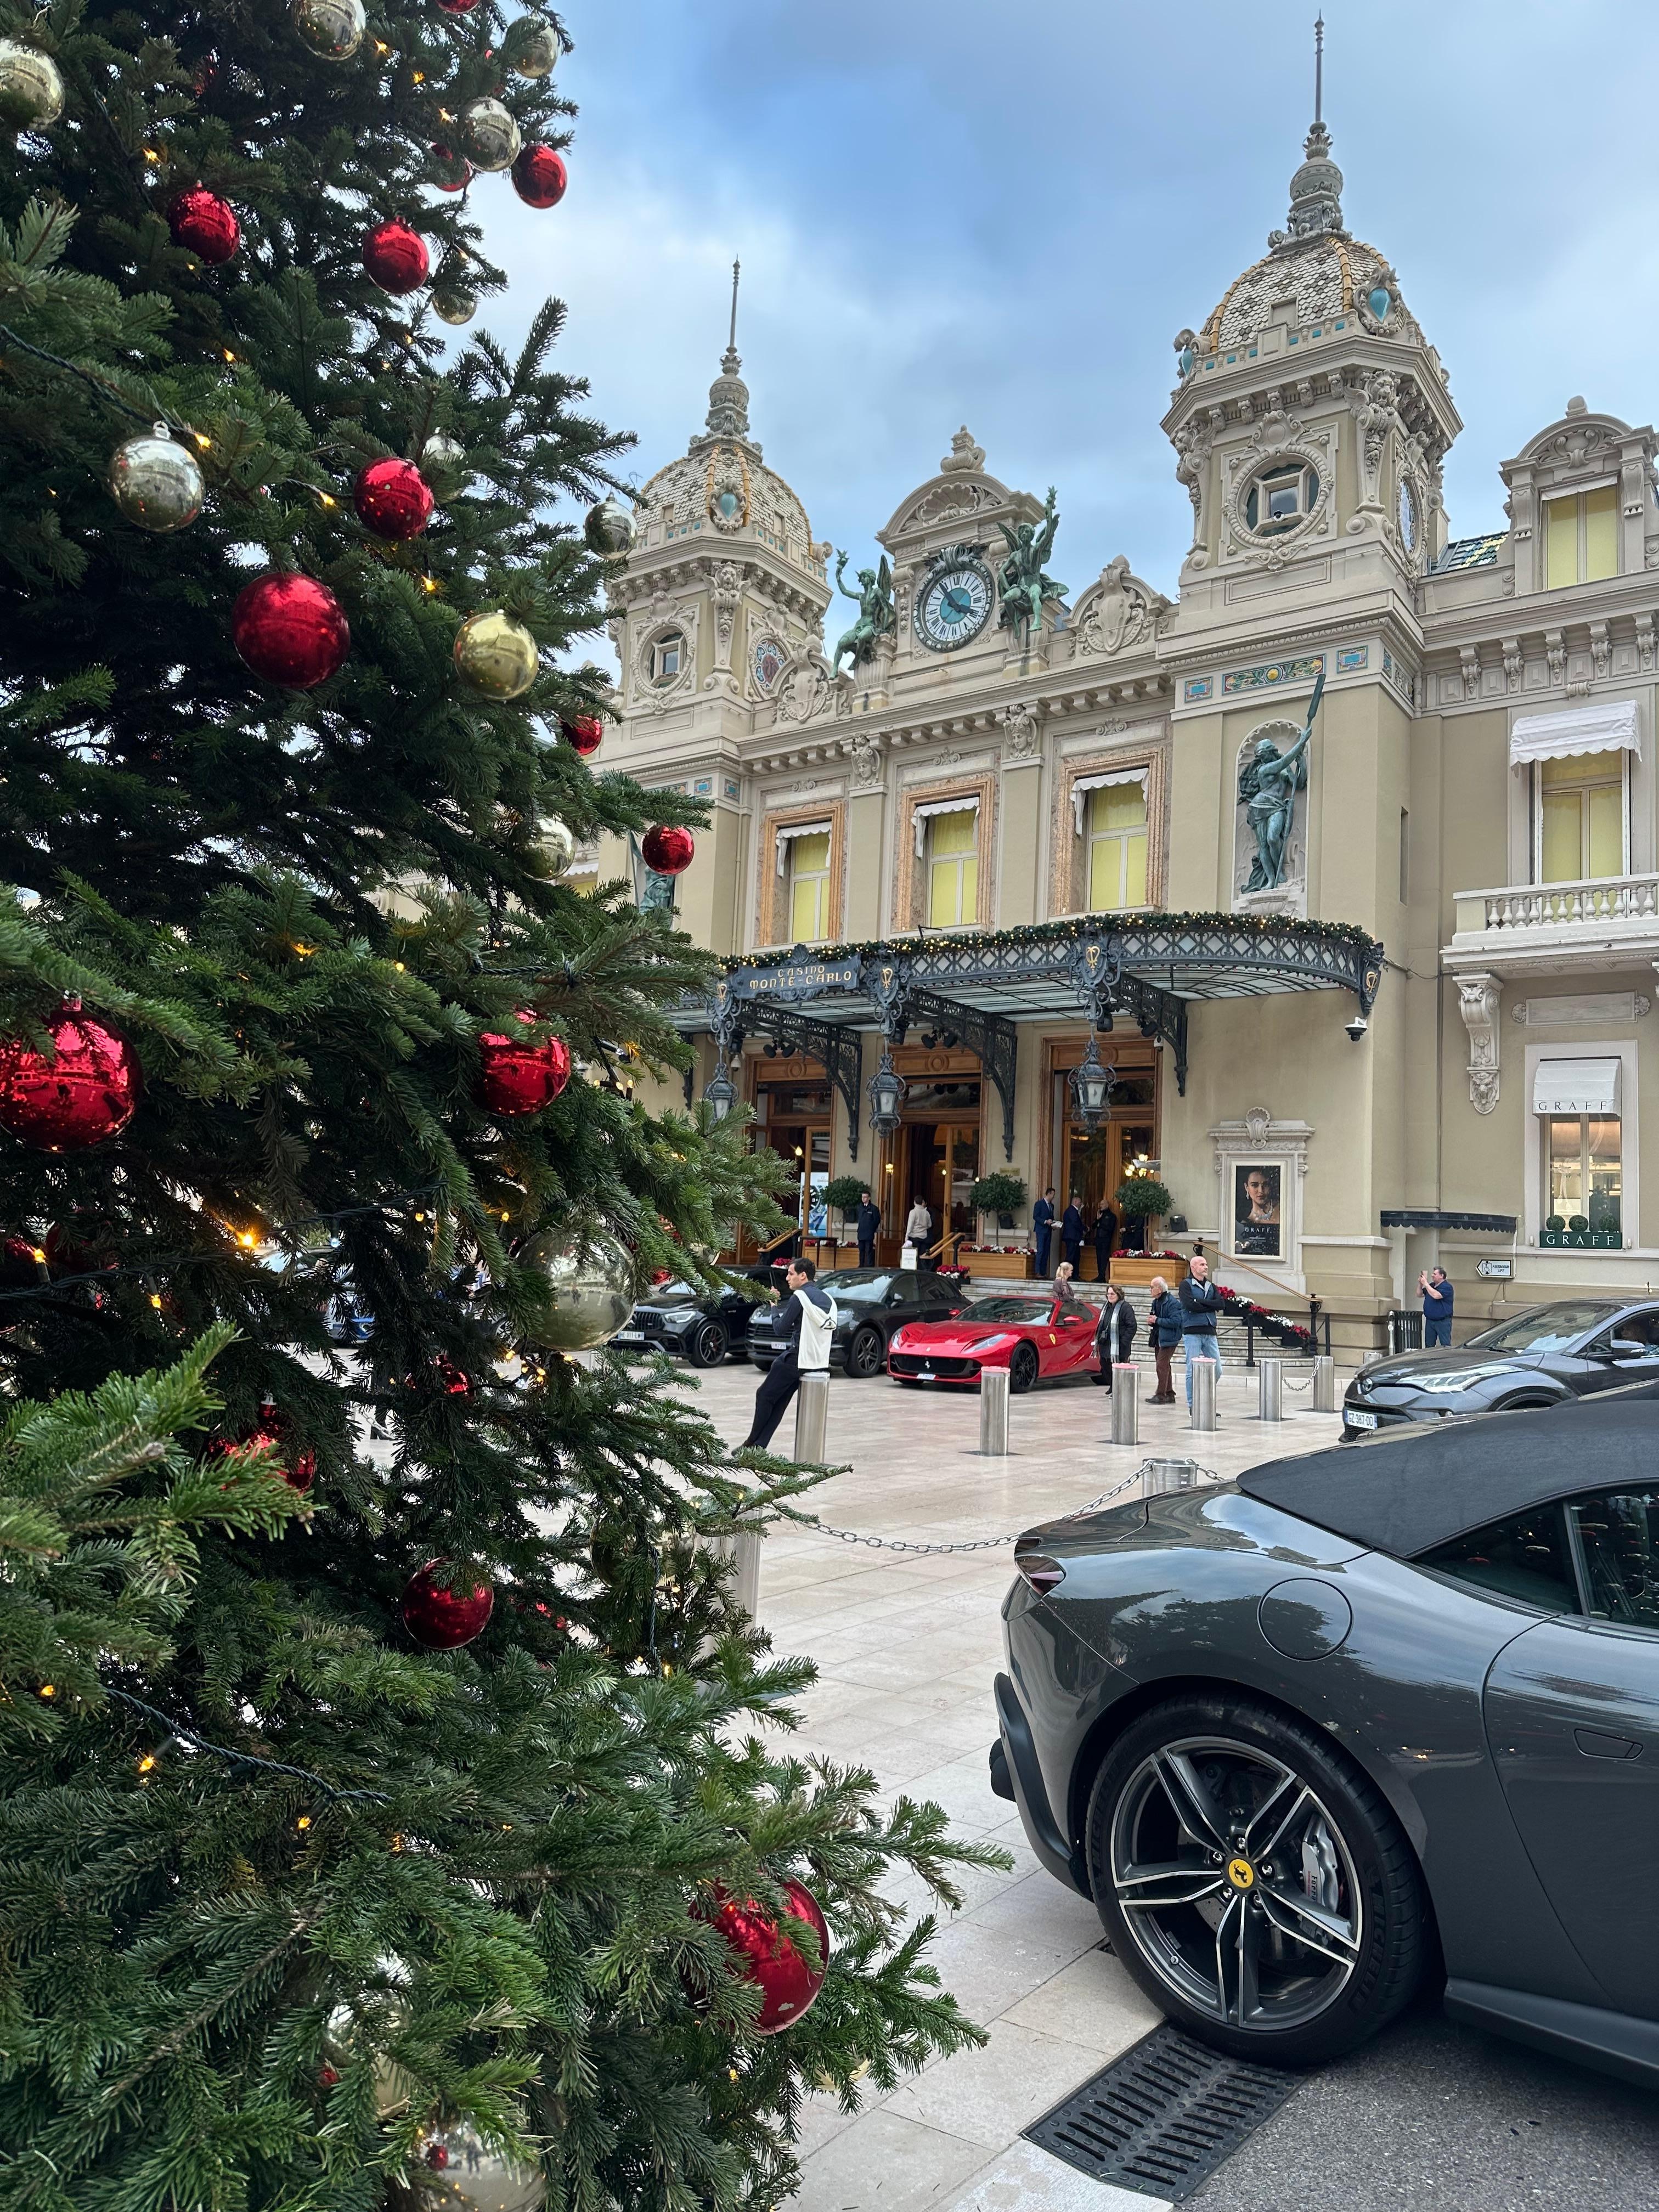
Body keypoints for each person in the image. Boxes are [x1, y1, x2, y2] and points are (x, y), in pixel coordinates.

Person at [740, 1259, 836, 1452]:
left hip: (796, 1359)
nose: (787, 1278)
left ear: (803, 1276)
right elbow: (833, 1334)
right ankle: (759, 1446)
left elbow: (779, 1328)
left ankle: (751, 1442)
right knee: (780, 1401)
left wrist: (773, 1305)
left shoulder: (799, 1297)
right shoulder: (829, 1300)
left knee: (764, 1395)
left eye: (791, 1274)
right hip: (816, 1362)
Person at [1178, 1252, 1223, 1410]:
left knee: (1217, 1369)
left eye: (1206, 1264)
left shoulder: (1211, 1286)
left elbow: (1220, 1304)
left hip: (1210, 1331)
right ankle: (1193, 1405)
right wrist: (1209, 1305)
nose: (1206, 1267)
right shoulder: (1186, 1285)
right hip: (1192, 1331)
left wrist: (1201, 1302)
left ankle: (1204, 1397)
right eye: (1202, 1265)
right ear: (1193, 1267)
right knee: (1192, 1369)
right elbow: (1190, 1305)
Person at [1092, 1281, 1137, 1389]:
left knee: (1119, 1369)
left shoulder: (1126, 1307)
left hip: (1119, 1346)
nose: (1110, 1296)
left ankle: (1118, 1389)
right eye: (1108, 1294)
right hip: (1106, 1344)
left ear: (1119, 1295)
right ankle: (1113, 1387)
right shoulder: (1106, 1307)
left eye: (1112, 1294)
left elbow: (1132, 1327)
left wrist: (1124, 1342)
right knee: (1105, 1365)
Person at [1147, 1273, 1183, 1403]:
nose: (1150, 1290)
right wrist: (1152, 1322)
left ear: (1160, 1289)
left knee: (1161, 1365)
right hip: (1159, 1337)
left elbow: (1176, 1322)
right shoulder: (1156, 1302)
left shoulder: (1173, 1303)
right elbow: (1157, 1319)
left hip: (1170, 1338)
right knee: (1165, 1365)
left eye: (1152, 1287)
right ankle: (1169, 1393)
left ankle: (1161, 1395)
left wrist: (1157, 1320)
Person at [1420, 1265, 1454, 1348]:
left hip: (1443, 1321)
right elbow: (1419, 1294)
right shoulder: (1431, 1286)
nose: (1432, 1275)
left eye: (1435, 1274)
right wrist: (1420, 1284)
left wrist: (1426, 1284)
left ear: (1442, 1276)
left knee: (1445, 1345)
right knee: (1429, 1346)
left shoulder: (1447, 1287)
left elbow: (1437, 1296)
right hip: (1430, 1320)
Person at [855, 1186, 881, 1268]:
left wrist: (872, 1228)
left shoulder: (874, 1209)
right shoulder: (860, 1207)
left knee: (869, 1250)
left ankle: (869, 1266)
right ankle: (861, 1265)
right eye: (862, 1197)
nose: (864, 1199)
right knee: (861, 1250)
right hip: (861, 1232)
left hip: (869, 1233)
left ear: (869, 1198)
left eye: (865, 1197)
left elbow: (877, 1220)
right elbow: (859, 1218)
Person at [1033, 1187, 1056, 1277]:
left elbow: (1052, 1217)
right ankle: (1037, 1272)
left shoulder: (1052, 1206)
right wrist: (1045, 1222)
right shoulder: (1039, 1204)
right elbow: (1035, 1216)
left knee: (1046, 1251)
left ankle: (1043, 1272)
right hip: (1041, 1230)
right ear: (1049, 1194)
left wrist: (1054, 1224)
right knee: (1041, 1250)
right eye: (1053, 1195)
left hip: (1048, 1231)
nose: (1054, 1197)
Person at [903, 1194, 932, 1267]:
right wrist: (924, 1227)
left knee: (914, 1257)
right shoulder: (927, 1213)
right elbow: (930, 1225)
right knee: (922, 1257)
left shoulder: (913, 1212)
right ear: (922, 1202)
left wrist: (907, 1236)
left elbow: (910, 1225)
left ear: (915, 1202)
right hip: (924, 1237)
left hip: (914, 1237)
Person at [1092, 1201, 1118, 1283]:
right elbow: (1093, 1226)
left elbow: (1110, 1228)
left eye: (1102, 1204)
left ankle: (1102, 1276)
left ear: (1107, 1205)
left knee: (1104, 1258)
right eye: (1100, 1204)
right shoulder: (1100, 1215)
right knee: (1099, 1258)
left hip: (1106, 1241)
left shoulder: (1112, 1216)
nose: (1101, 1206)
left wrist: (1100, 1224)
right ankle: (1100, 1276)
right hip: (1098, 1240)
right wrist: (1098, 1219)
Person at [1060, 1195, 1085, 1278]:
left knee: (1076, 1256)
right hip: (1071, 1237)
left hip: (1074, 1238)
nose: (1081, 1204)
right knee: (1070, 1256)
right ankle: (1065, 1275)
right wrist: (1084, 1228)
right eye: (1080, 1202)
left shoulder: (1073, 1211)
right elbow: (1075, 1223)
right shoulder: (1072, 1210)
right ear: (1075, 1202)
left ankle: (1075, 1275)